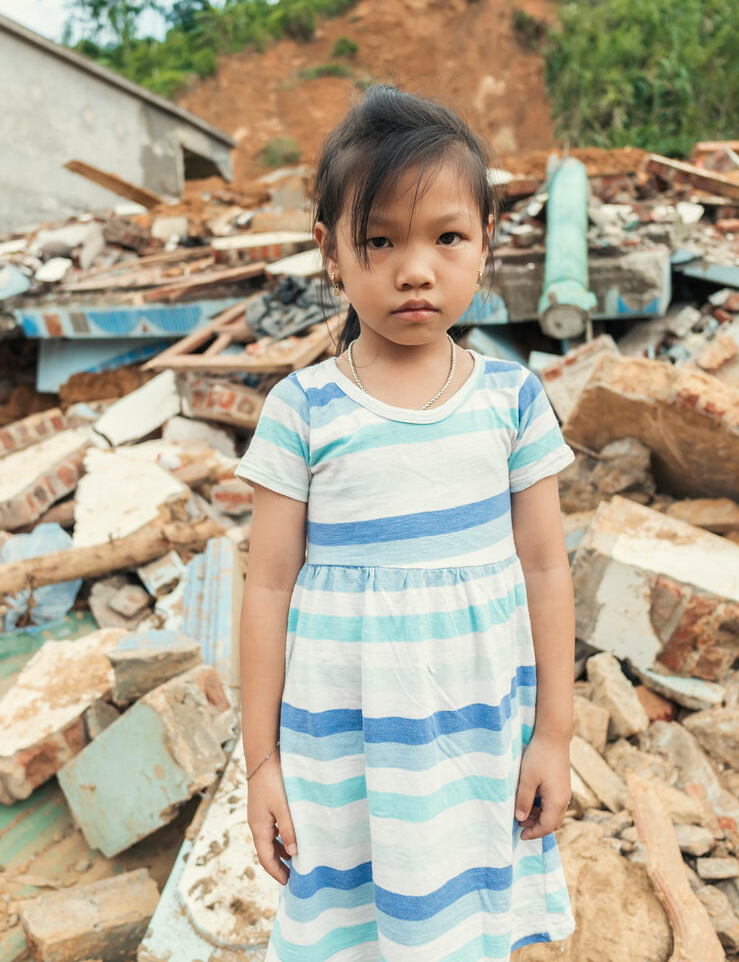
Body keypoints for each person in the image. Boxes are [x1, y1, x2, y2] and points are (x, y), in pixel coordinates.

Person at [233, 85, 577, 962]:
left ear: (486, 244)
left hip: (475, 746)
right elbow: (268, 584)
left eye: (446, 237)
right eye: (379, 239)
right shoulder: (303, 408)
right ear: (331, 253)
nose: (414, 268)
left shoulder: (512, 399)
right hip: (344, 752)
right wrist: (262, 764)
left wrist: (555, 736)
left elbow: (545, 568)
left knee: (460, 930)